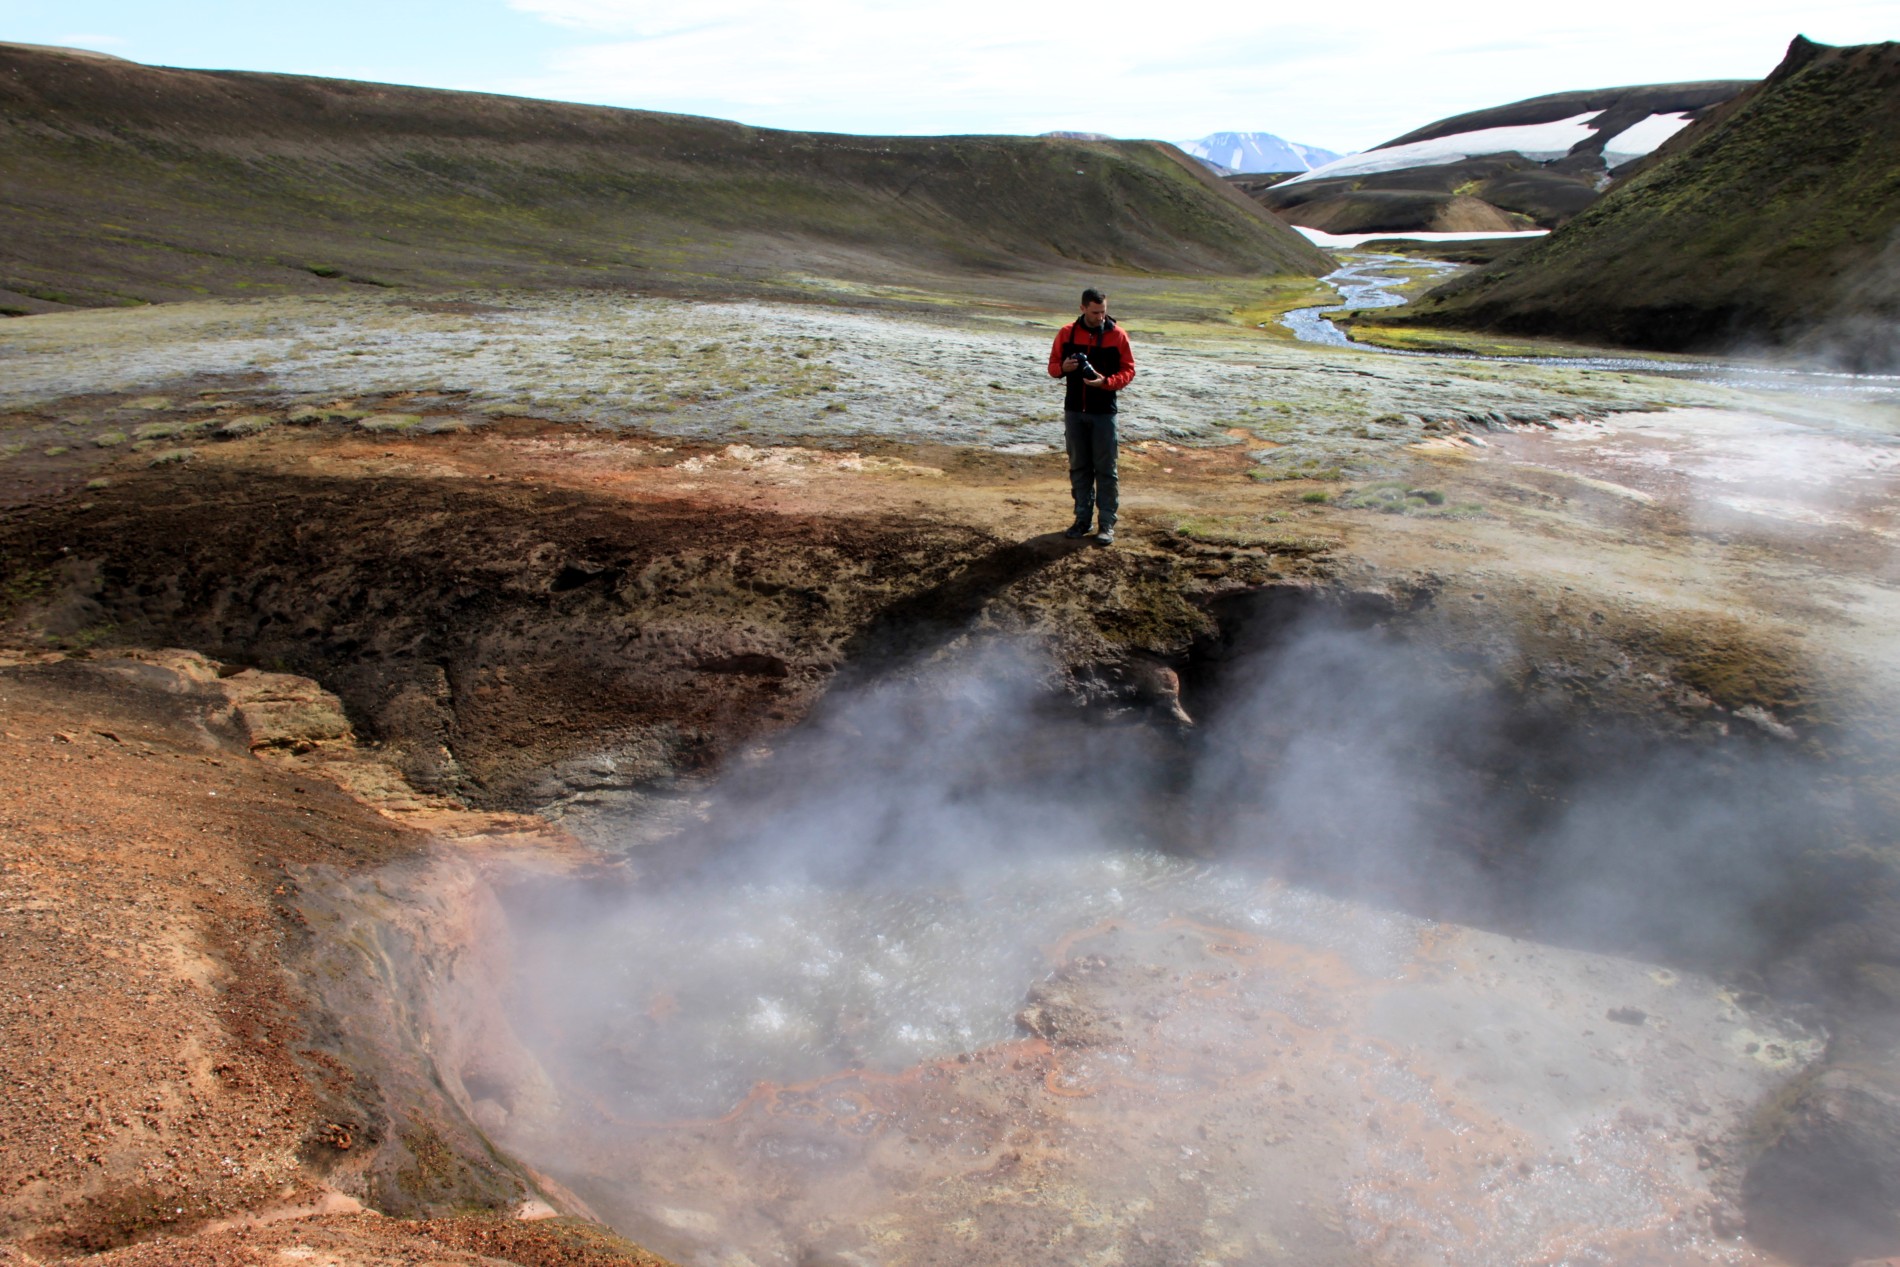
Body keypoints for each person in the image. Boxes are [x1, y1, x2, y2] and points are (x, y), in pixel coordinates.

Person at [1047, 287, 1135, 544]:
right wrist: (1062, 368)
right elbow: (1052, 366)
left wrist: (1106, 382)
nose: (1101, 317)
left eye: (1104, 312)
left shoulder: (1117, 335)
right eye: (1096, 312)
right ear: (1083, 308)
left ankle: (1106, 525)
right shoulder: (1067, 333)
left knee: (1106, 471)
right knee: (1079, 468)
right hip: (1074, 411)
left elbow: (1128, 371)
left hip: (1104, 413)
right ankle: (1082, 520)